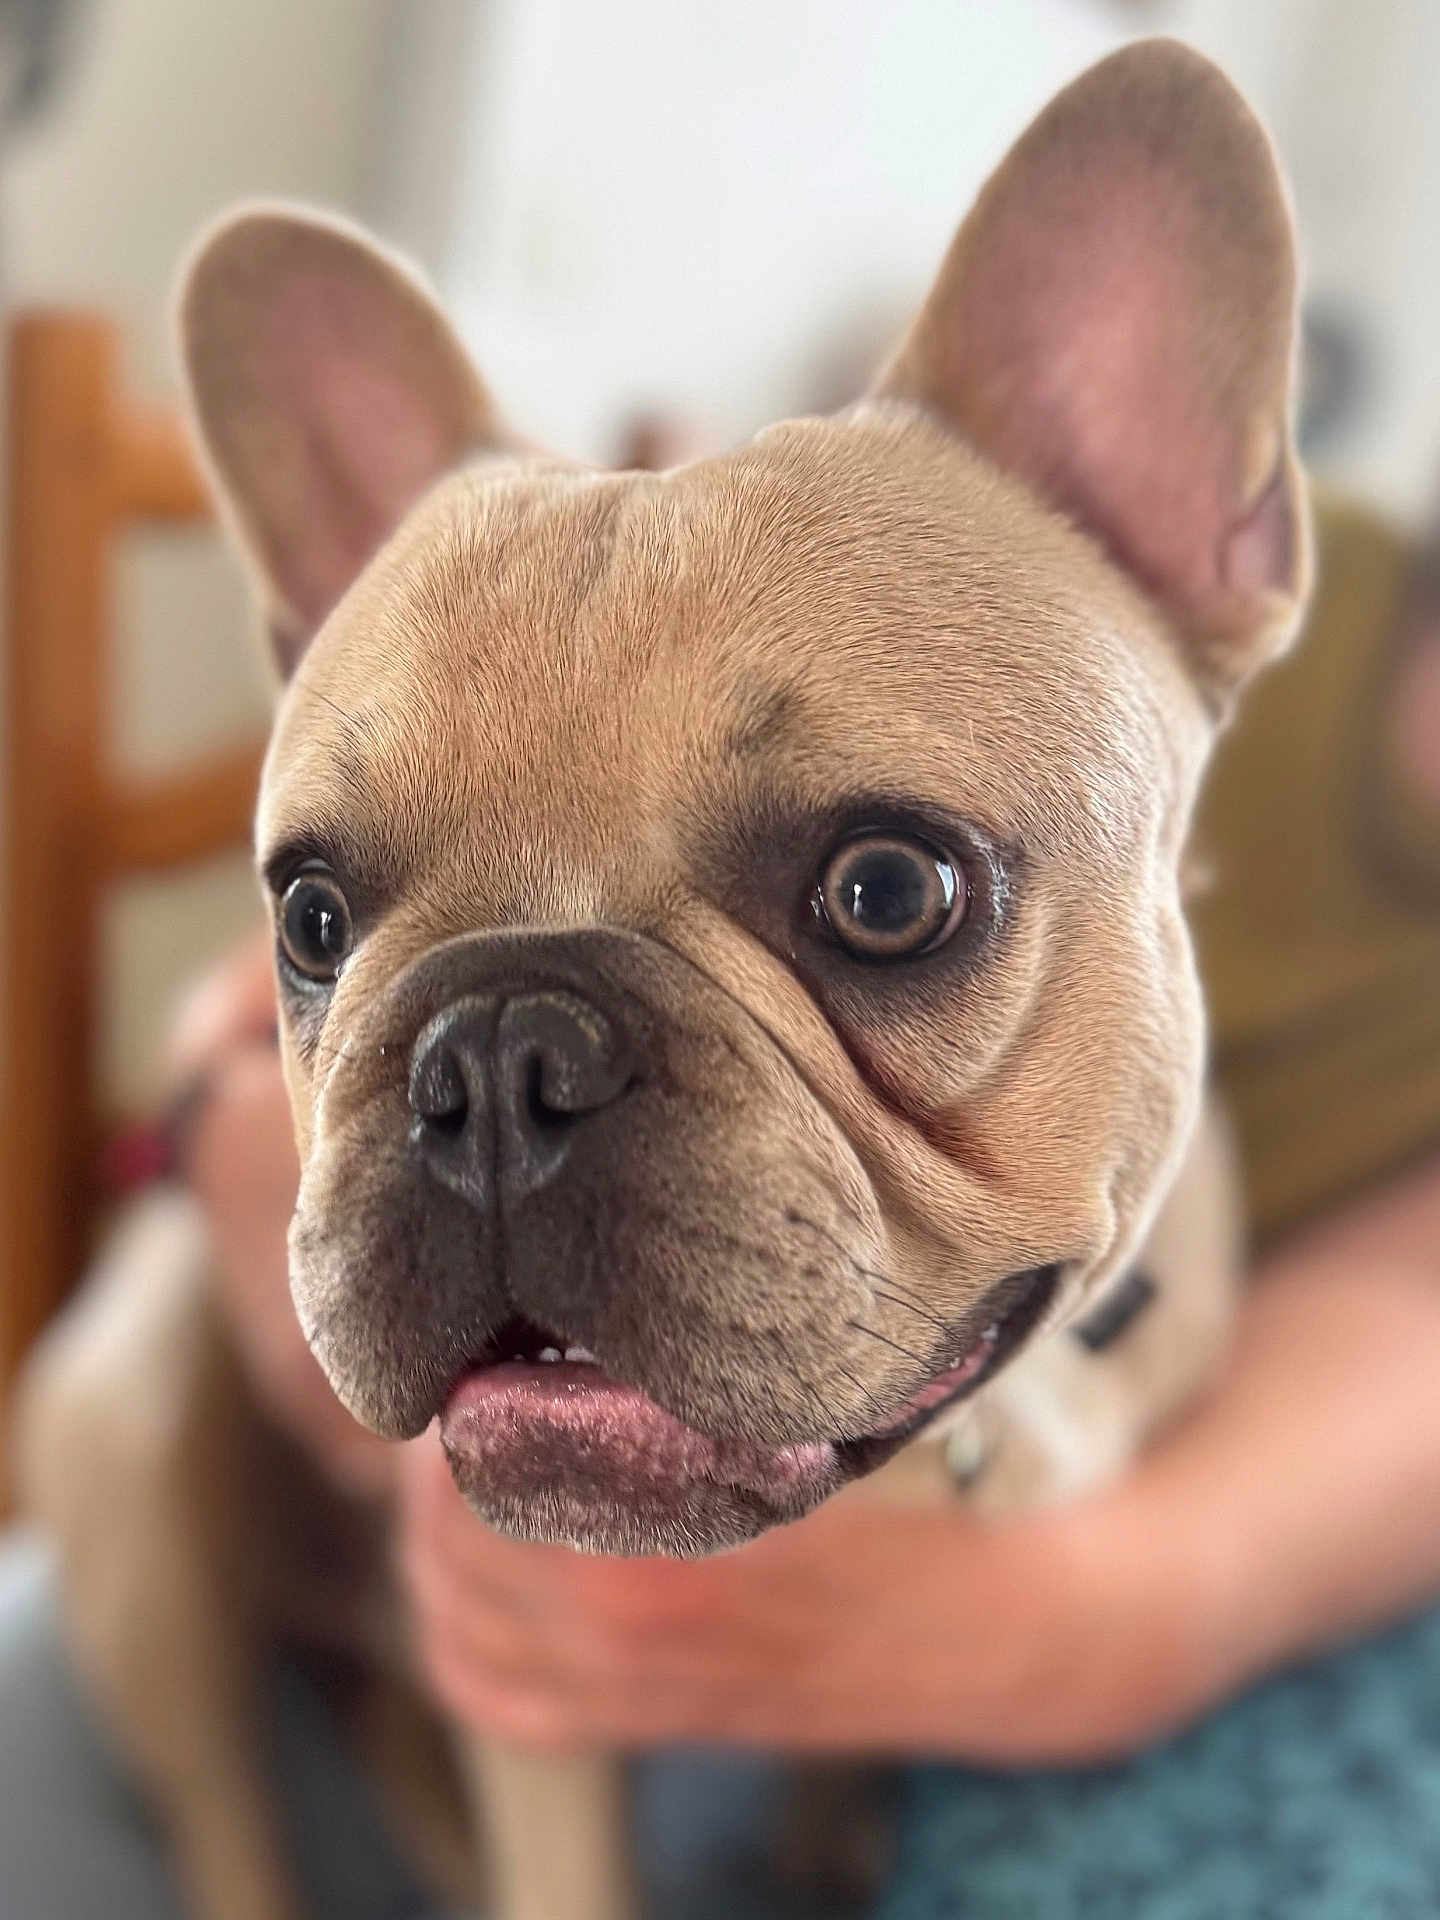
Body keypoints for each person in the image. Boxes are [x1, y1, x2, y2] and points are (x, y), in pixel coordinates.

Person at [3, 491, 1439, 1918]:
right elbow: (291, 975)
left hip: (874, 1513)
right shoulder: (1072, 578)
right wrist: (221, 1117)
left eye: (887, 901)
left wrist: (1098, 1611)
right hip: (349, 1482)